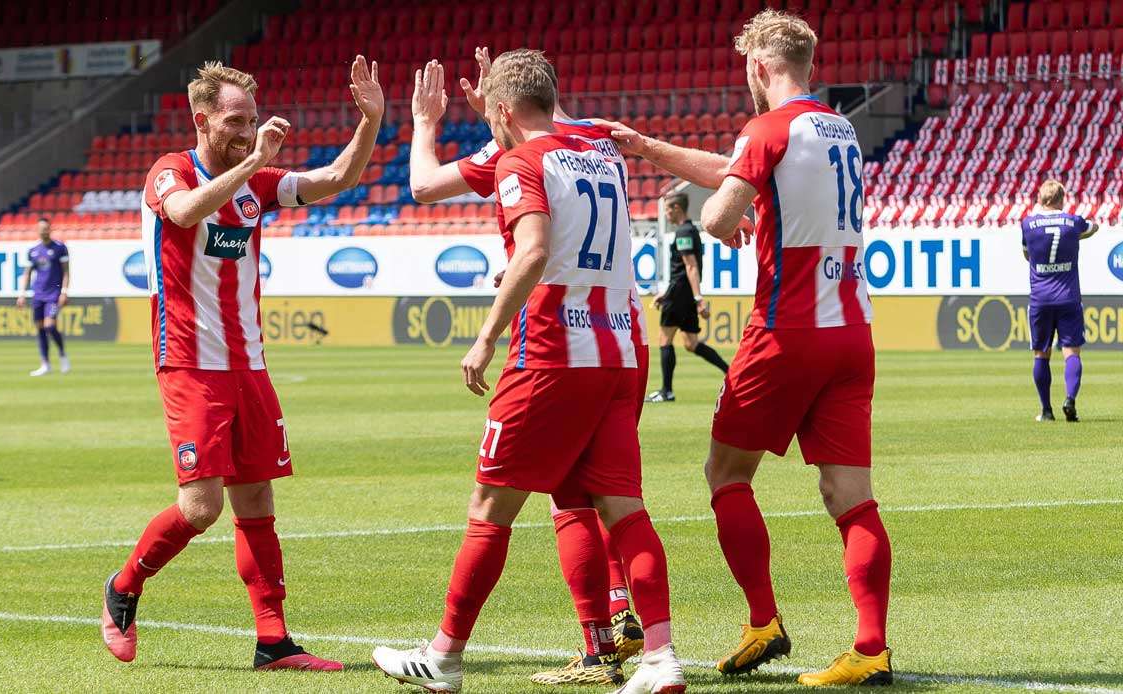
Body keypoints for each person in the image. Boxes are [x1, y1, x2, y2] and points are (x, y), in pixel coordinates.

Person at [372, 49, 685, 694]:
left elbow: (534, 248)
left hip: (551, 353)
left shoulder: (520, 159)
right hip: (620, 349)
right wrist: (502, 100)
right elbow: (552, 136)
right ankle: (659, 658)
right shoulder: (600, 145)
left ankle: (445, 656)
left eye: (490, 108)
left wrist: (485, 337)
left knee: (490, 505)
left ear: (505, 110)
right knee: (623, 508)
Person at [605, 9, 892, 686]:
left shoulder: (766, 127)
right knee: (850, 495)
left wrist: (727, 216)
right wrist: (650, 148)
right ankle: (871, 648)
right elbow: (743, 169)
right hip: (851, 331)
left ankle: (764, 622)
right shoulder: (838, 127)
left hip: (785, 332)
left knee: (725, 474)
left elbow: (717, 210)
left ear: (760, 67)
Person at [99, 57, 383, 671]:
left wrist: (371, 122)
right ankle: (124, 586)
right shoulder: (170, 171)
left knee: (257, 500)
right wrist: (254, 161)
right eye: (234, 120)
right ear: (202, 120)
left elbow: (337, 177)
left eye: (251, 120)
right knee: (203, 507)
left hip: (248, 365)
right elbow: (182, 213)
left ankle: (273, 641)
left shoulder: (257, 184)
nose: (246, 130)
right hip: (189, 362)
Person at [1021, 179, 1099, 422]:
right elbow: (1093, 227)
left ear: (1040, 199)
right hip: (1068, 298)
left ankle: (1046, 410)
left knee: (1041, 354)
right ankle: (1070, 399)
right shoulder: (1072, 221)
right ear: (1061, 198)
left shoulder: (1027, 224)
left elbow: (1026, 254)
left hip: (1040, 299)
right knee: (1071, 352)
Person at [646, 192, 730, 403]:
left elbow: (690, 267)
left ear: (677, 209)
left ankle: (666, 391)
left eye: (667, 209)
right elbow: (686, 270)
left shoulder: (683, 232)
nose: (665, 214)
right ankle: (731, 372)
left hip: (681, 294)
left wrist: (698, 298)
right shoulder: (691, 230)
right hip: (682, 293)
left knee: (665, 339)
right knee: (691, 343)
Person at [16, 218, 71, 376]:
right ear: (37, 230)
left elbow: (66, 271)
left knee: (50, 326)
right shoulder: (33, 251)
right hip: (38, 294)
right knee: (40, 328)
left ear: (50, 229)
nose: (43, 231)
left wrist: (64, 291)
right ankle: (45, 363)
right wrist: (22, 294)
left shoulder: (60, 248)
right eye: (41, 229)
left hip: (53, 294)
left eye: (46, 228)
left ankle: (62, 354)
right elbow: (27, 273)